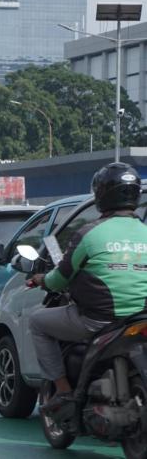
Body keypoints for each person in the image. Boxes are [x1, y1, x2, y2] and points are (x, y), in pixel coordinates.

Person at [29, 162, 147, 413]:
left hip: (99, 321)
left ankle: (63, 391)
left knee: (38, 322)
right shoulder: (145, 232)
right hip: (139, 317)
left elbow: (60, 279)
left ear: (101, 195)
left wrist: (41, 280)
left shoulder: (89, 233)